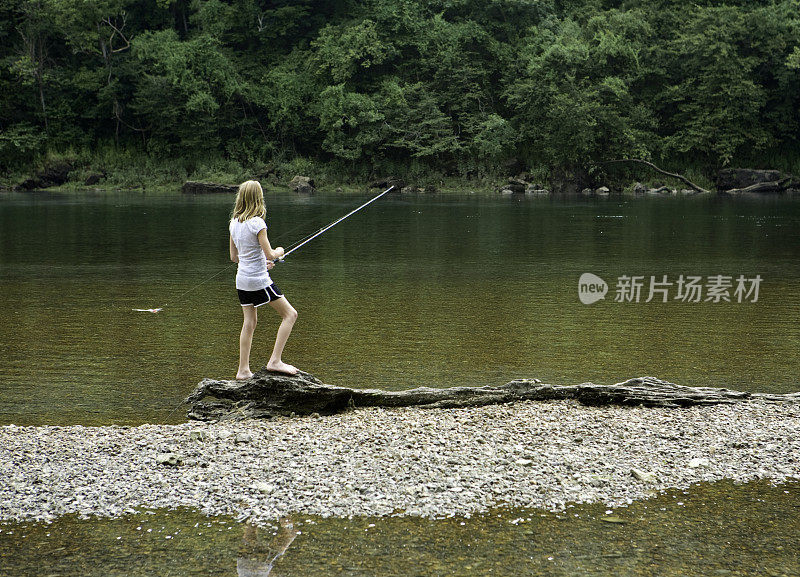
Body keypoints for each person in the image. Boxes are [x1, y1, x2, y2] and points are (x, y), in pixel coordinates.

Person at [229, 180, 298, 378]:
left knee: (249, 323)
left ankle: (243, 370)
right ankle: (275, 361)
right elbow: (269, 253)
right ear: (258, 198)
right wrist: (280, 251)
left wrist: (261, 262)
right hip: (258, 281)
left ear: (241, 198)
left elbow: (235, 257)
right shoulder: (258, 223)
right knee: (290, 315)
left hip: (242, 280)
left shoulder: (234, 223)